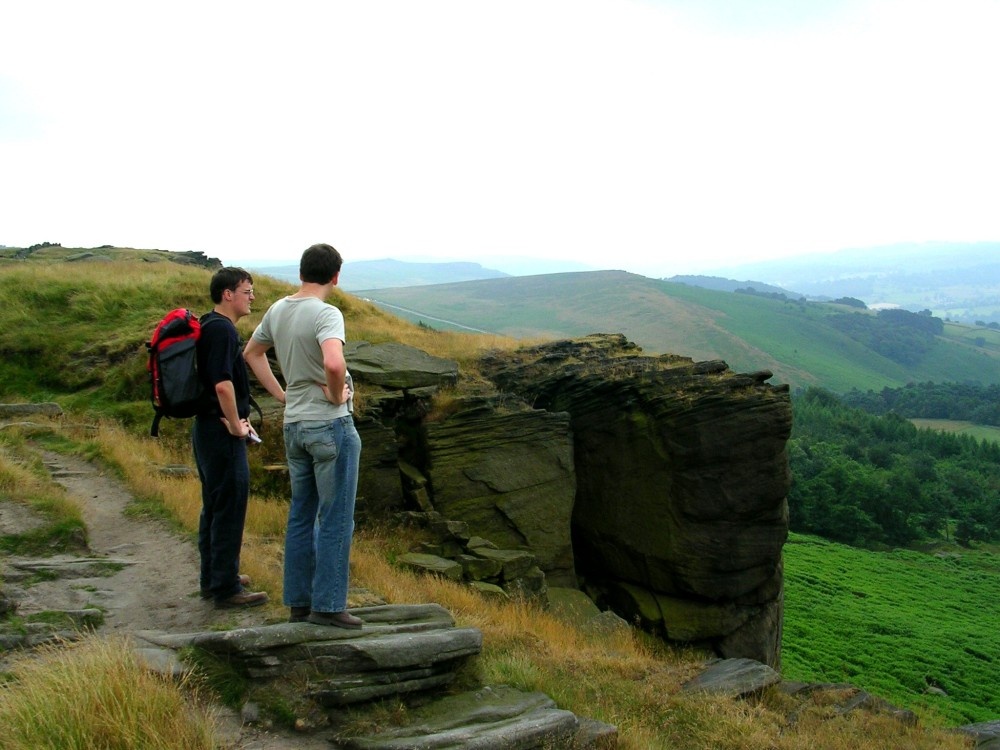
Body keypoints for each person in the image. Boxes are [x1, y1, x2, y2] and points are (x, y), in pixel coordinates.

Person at [244, 243, 363, 628]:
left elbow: (253, 352)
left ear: (301, 272)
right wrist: (333, 394)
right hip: (330, 426)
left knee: (301, 515)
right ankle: (328, 606)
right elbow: (333, 361)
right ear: (335, 276)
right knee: (336, 518)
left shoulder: (278, 309)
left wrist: (282, 393)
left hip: (294, 425)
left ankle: (298, 602)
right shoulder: (327, 313)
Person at [193, 267, 269, 608]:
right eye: (246, 290)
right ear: (228, 294)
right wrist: (238, 425)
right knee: (230, 506)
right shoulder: (223, 331)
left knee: (214, 504)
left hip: (206, 429)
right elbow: (223, 384)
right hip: (221, 432)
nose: (251, 297)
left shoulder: (209, 324)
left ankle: (214, 578)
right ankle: (226, 589)